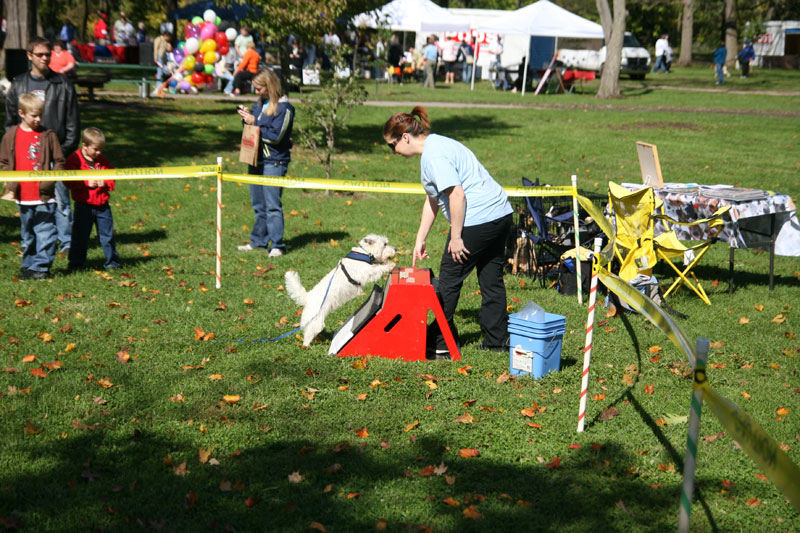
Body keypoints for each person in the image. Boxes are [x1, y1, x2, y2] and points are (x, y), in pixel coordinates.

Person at [383, 107, 513, 356]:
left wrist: (456, 237)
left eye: (392, 145)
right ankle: (496, 340)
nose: (393, 152)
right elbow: (434, 198)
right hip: (500, 213)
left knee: (449, 281)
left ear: (405, 138)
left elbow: (457, 194)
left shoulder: (433, 157)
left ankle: (441, 341)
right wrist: (420, 238)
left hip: (480, 218)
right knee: (490, 279)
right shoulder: (437, 144)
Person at [5, 36, 80, 256]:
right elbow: (10, 122)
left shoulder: (64, 84)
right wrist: (16, 151)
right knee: (27, 202)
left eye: (47, 54)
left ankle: (66, 242)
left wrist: (61, 152)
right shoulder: (18, 84)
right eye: (40, 54)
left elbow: (73, 124)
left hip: (55, 156)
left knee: (60, 202)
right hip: (26, 157)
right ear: (29, 56)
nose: (45, 58)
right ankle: (30, 241)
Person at [0, 93, 66, 280]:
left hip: (44, 195)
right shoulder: (11, 135)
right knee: (28, 234)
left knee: (45, 232)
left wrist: (52, 178)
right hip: (23, 196)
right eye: (34, 115)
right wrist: (10, 177)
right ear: (21, 113)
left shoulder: (48, 135)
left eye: (40, 115)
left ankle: (41, 267)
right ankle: (29, 265)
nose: (38, 119)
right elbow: (4, 160)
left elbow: (59, 160)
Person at [236, 69, 294, 257]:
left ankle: (277, 245)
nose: (256, 92)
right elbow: (253, 128)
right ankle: (259, 241)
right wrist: (247, 119)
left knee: (272, 205)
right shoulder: (259, 104)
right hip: (256, 159)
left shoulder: (285, 108)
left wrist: (255, 123)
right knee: (258, 204)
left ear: (269, 86)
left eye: (259, 88)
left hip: (274, 161)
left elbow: (276, 136)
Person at [65, 127, 120, 271]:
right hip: (84, 205)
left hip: (102, 205)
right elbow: (67, 181)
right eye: (95, 149)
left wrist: (106, 182)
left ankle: (112, 263)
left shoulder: (101, 160)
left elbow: (112, 175)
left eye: (101, 149)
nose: (99, 153)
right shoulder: (74, 160)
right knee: (80, 237)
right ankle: (76, 264)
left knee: (107, 236)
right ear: (84, 145)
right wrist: (85, 182)